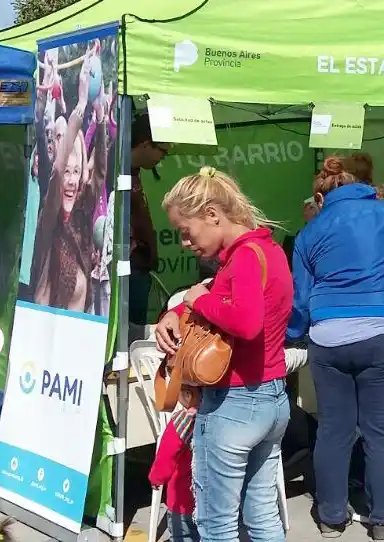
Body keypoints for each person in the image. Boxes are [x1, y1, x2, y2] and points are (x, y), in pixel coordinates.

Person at [286, 156, 384, 540]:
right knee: (380, 431)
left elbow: (299, 302)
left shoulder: (309, 233)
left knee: (334, 429)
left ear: (322, 194)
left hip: (328, 339)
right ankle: (383, 519)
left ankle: (332, 516)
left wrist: (294, 333)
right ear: (366, 183)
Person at [155, 166, 292, 542]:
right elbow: (224, 294)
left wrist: (197, 299)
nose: (185, 242)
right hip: (272, 397)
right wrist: (177, 311)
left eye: (187, 231)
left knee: (216, 524)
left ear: (212, 214)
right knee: (263, 513)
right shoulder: (267, 251)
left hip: (235, 402)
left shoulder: (244, 257)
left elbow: (245, 322)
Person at [30, 50, 105, 313]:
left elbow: (99, 175)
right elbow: (57, 171)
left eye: (77, 171)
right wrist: (81, 104)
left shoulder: (83, 215)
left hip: (78, 322)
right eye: (68, 173)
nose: (71, 180)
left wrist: (102, 119)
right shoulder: (49, 213)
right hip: (45, 321)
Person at [129, 114, 169, 325]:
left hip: (139, 267)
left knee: (135, 331)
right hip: (128, 269)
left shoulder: (134, 173)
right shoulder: (115, 170)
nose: (163, 157)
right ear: (146, 144)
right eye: (163, 151)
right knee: (128, 333)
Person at [149, 386, 201, 542]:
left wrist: (156, 477)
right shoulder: (218, 419)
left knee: (183, 536)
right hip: (212, 501)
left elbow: (166, 454)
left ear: (186, 394)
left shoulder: (181, 421)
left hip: (182, 500)